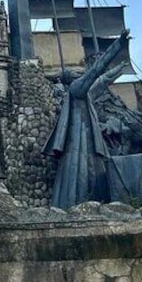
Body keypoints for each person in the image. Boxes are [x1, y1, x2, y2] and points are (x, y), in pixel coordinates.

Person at [44, 29, 130, 209]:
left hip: (87, 140)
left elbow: (103, 80)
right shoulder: (76, 88)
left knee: (90, 174)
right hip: (80, 143)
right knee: (82, 177)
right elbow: (97, 71)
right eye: (75, 72)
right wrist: (117, 45)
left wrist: (119, 68)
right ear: (70, 79)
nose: (79, 72)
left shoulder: (84, 92)